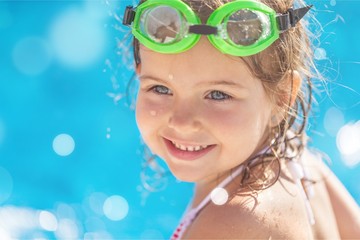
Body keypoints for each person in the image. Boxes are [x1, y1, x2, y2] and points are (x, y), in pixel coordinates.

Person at [122, 0, 360, 239]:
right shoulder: (298, 159)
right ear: (139, 71)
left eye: (218, 95)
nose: (182, 122)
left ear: (281, 98)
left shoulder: (231, 225)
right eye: (161, 89)